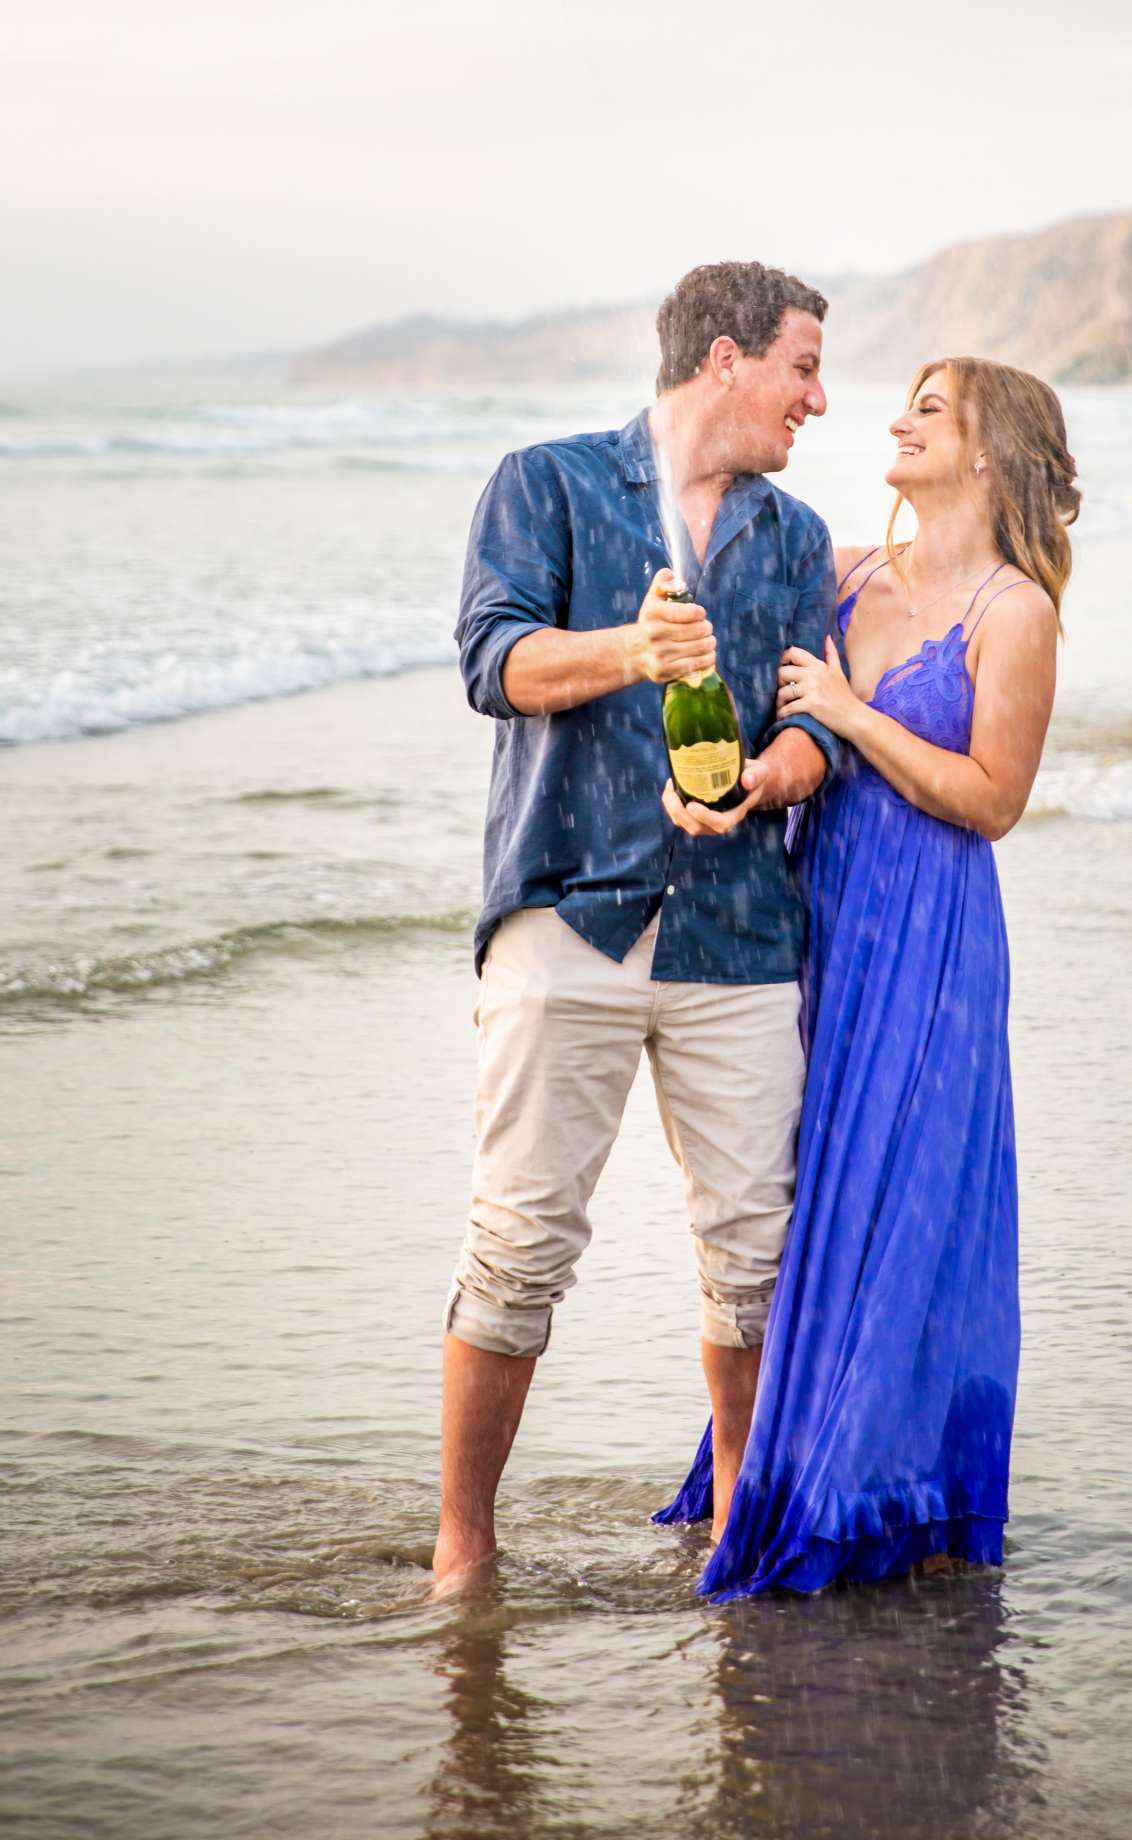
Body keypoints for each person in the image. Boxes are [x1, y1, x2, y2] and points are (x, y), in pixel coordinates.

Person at [434, 261, 840, 1591]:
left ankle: (739, 1529)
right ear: (725, 361)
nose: (819, 400)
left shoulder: (791, 538)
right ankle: (464, 1548)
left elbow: (805, 719)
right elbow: (495, 665)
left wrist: (773, 773)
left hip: (741, 931)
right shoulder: (545, 483)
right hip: (568, 918)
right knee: (519, 1247)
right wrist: (628, 652)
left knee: (756, 1256)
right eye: (802, 367)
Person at [656, 355, 1078, 1599]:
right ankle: (775, 1461)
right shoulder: (840, 572)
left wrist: (848, 711)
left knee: (900, 1200)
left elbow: (992, 802)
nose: (894, 421)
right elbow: (710, 567)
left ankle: (871, 1491)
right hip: (819, 915)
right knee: (802, 1197)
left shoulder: (1014, 613)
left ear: (990, 450)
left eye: (928, 409)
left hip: (930, 935)